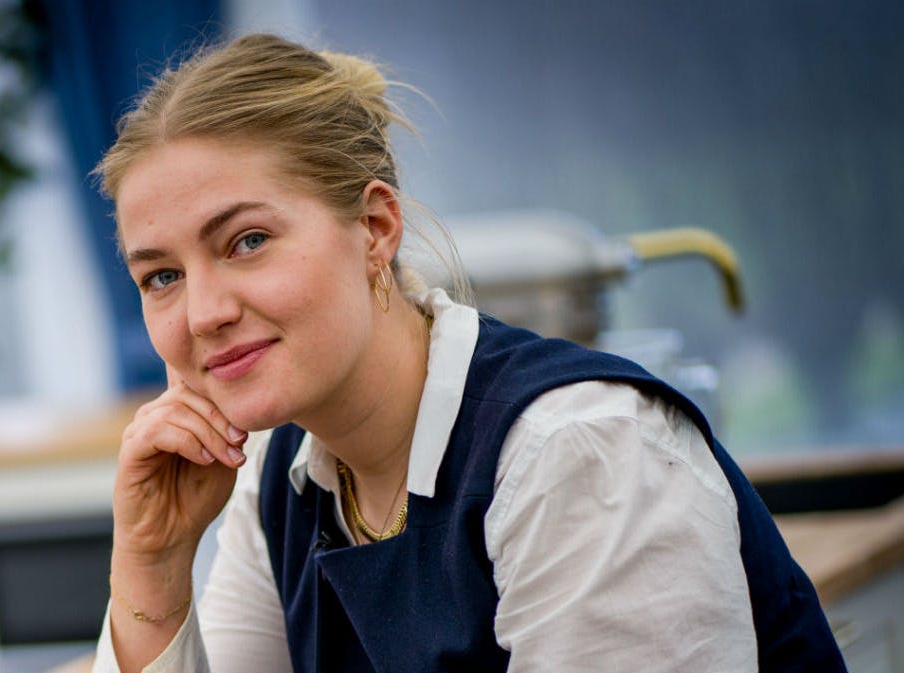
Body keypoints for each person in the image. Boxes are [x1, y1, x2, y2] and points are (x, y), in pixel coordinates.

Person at [87, 33, 845, 673]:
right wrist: (151, 569)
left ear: (376, 229)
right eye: (162, 276)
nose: (205, 312)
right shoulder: (280, 480)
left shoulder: (578, 452)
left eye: (248, 241)